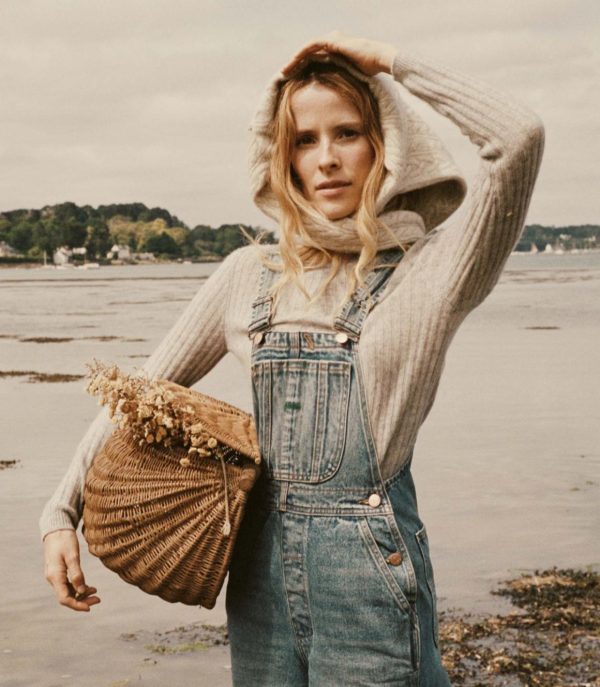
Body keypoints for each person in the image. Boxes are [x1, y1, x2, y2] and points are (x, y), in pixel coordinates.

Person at [41, 31, 544, 686]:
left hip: (368, 582)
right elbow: (136, 395)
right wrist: (61, 512)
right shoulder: (247, 275)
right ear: (283, 157)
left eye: (348, 133)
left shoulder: (436, 271)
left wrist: (390, 63)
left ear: (387, 145)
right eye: (305, 140)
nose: (327, 158)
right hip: (258, 577)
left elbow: (519, 137)